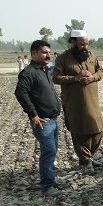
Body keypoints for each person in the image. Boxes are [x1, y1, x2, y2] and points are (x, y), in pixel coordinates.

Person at [52, 29, 103, 175]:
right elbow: (56, 78)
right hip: (74, 102)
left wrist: (92, 78)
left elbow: (101, 71)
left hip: (92, 101)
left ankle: (87, 156)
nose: (85, 47)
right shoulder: (62, 59)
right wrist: (75, 78)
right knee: (79, 130)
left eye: (86, 44)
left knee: (98, 129)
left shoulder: (91, 56)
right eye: (82, 44)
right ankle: (86, 159)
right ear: (73, 42)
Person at [15, 40, 63, 197]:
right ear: (33, 54)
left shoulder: (44, 70)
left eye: (49, 52)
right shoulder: (29, 72)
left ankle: (51, 181)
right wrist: (33, 114)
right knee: (48, 152)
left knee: (52, 151)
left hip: (53, 120)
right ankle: (47, 186)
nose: (48, 55)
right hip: (43, 122)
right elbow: (20, 92)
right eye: (44, 52)